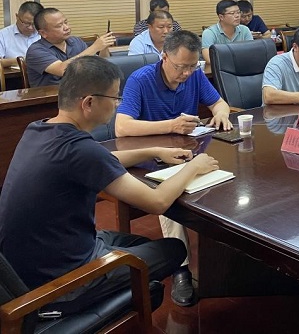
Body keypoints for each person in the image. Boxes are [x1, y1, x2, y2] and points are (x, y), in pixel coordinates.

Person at [0, 56, 218, 315]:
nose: (118, 104)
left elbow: (102, 158)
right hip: (60, 284)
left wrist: (155, 151)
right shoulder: (81, 150)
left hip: (29, 267)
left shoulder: (38, 129)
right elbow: (157, 202)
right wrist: (195, 166)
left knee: (140, 242)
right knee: (173, 249)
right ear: (89, 103)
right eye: (115, 98)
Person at [116, 30, 233, 306]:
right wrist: (171, 125)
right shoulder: (141, 79)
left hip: (186, 152)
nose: (187, 73)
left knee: (224, 177)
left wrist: (221, 113)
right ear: (164, 57)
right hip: (148, 158)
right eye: (181, 67)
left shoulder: (195, 75)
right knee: (173, 194)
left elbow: (219, 102)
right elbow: (122, 126)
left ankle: (227, 257)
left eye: (192, 66)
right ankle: (181, 270)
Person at [26, 7, 115, 87]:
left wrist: (104, 48)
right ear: (43, 33)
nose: (66, 27)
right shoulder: (36, 50)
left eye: (66, 22)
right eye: (59, 26)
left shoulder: (75, 41)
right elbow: (62, 70)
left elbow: (100, 65)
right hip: (52, 96)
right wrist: (95, 47)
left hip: (80, 91)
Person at [0, 1, 43, 67]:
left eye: (35, 24)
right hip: (14, 73)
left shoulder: (45, 33)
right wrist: (22, 60)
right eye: (26, 23)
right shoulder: (3, 35)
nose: (30, 28)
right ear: (17, 16)